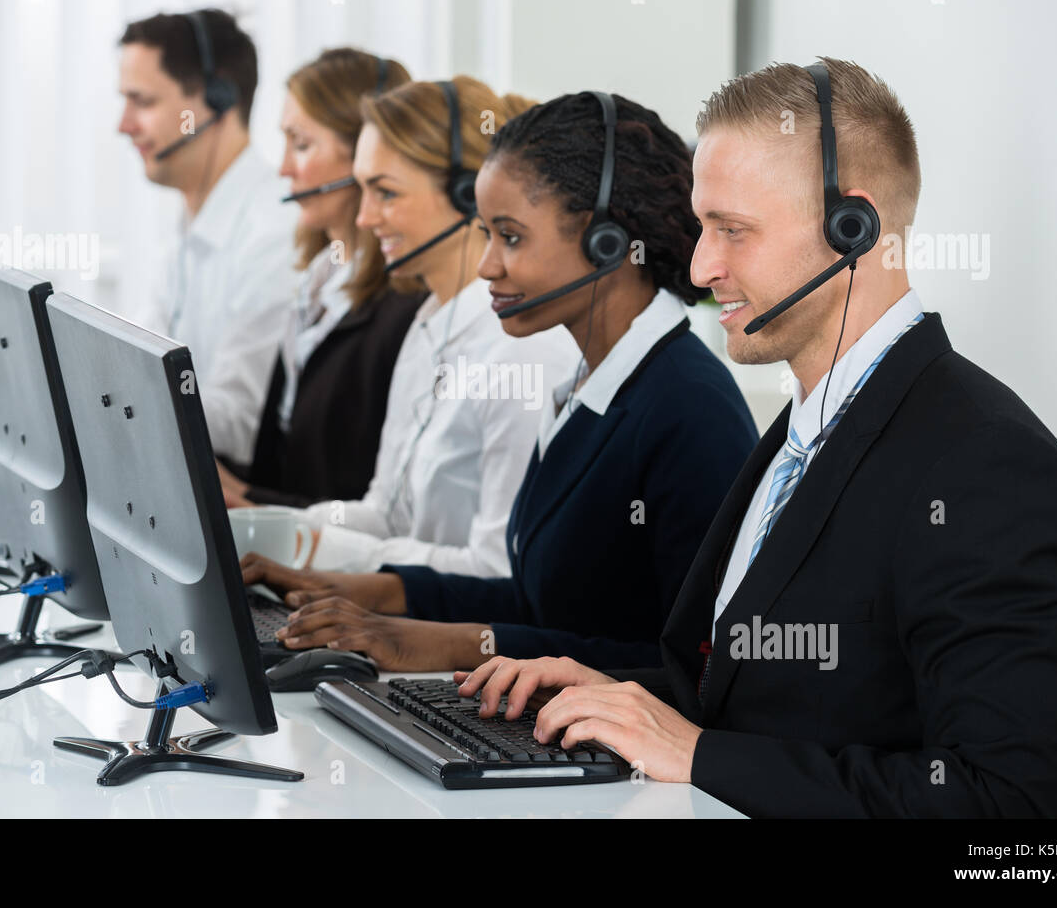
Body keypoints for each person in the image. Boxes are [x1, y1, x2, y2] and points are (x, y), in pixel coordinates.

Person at [455, 58, 1057, 818]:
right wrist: (622, 694)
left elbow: (1010, 810)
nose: (702, 267)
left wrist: (696, 752)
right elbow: (769, 702)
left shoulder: (990, 471)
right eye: (703, 227)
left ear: (852, 229)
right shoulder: (803, 432)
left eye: (732, 230)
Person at [240, 92, 757, 671]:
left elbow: (694, 671)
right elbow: (542, 605)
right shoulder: (587, 387)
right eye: (486, 233)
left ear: (606, 243)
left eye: (510, 237)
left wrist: (430, 644)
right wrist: (368, 593)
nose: (486, 265)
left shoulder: (689, 410)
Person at [248, 77, 577, 577]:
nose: (363, 218)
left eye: (385, 193)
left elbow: (496, 568)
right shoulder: (427, 325)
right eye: (362, 190)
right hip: (405, 617)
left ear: (469, 195)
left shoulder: (521, 351)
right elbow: (387, 514)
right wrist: (272, 528)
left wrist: (322, 550)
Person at [216, 48, 426, 508]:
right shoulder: (316, 280)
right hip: (278, 559)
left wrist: (248, 501)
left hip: (333, 566)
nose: (285, 168)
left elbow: (364, 500)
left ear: (366, 155)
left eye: (302, 144)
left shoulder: (405, 308)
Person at [117, 8, 294, 465]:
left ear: (215, 99)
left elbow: (235, 424)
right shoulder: (184, 228)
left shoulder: (275, 228)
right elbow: (139, 356)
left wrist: (115, 396)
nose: (125, 124)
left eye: (144, 102)